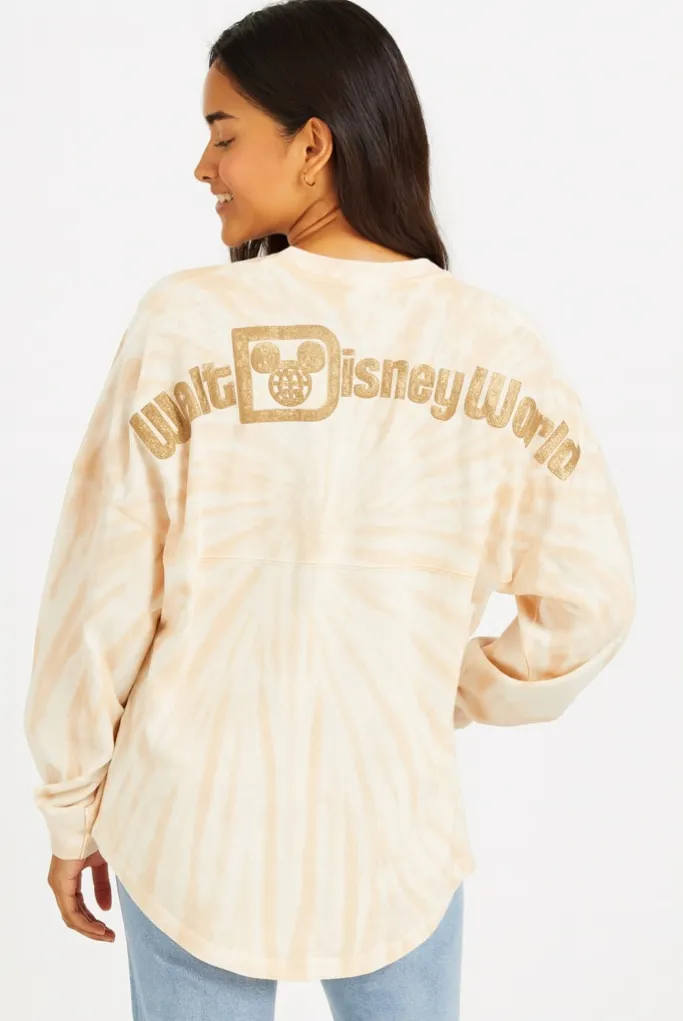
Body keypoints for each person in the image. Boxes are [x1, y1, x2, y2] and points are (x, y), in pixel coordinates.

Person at [23, 1, 636, 1018]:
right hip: (393, 829)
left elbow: (98, 596)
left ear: (312, 145)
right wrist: (437, 682)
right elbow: (592, 601)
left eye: (223, 134)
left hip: (189, 831)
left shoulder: (184, 325)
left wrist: (70, 808)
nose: (202, 167)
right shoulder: (495, 347)